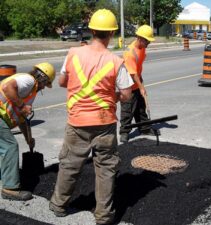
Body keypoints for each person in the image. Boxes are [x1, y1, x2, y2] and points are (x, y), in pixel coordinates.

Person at [49, 9, 133, 225]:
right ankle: (104, 216)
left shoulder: (73, 53)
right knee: (105, 169)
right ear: (112, 33)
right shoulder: (116, 61)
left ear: (92, 30)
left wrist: (81, 87)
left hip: (77, 122)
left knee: (69, 164)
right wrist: (108, 95)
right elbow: (125, 95)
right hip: (104, 123)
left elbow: (61, 82)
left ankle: (59, 205)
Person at [0, 62, 56, 201]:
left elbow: (22, 119)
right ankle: (10, 188)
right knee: (10, 146)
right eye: (46, 84)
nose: (44, 87)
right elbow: (7, 87)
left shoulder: (30, 91)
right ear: (42, 78)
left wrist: (28, 139)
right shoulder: (28, 81)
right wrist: (23, 106)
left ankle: (5, 176)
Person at [119, 25, 158, 143]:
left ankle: (144, 128)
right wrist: (141, 87)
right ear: (140, 38)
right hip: (127, 83)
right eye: (147, 41)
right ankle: (124, 132)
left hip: (137, 78)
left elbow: (137, 70)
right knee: (128, 108)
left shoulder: (142, 47)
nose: (148, 44)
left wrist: (141, 84)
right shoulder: (129, 53)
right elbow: (132, 73)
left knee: (141, 107)